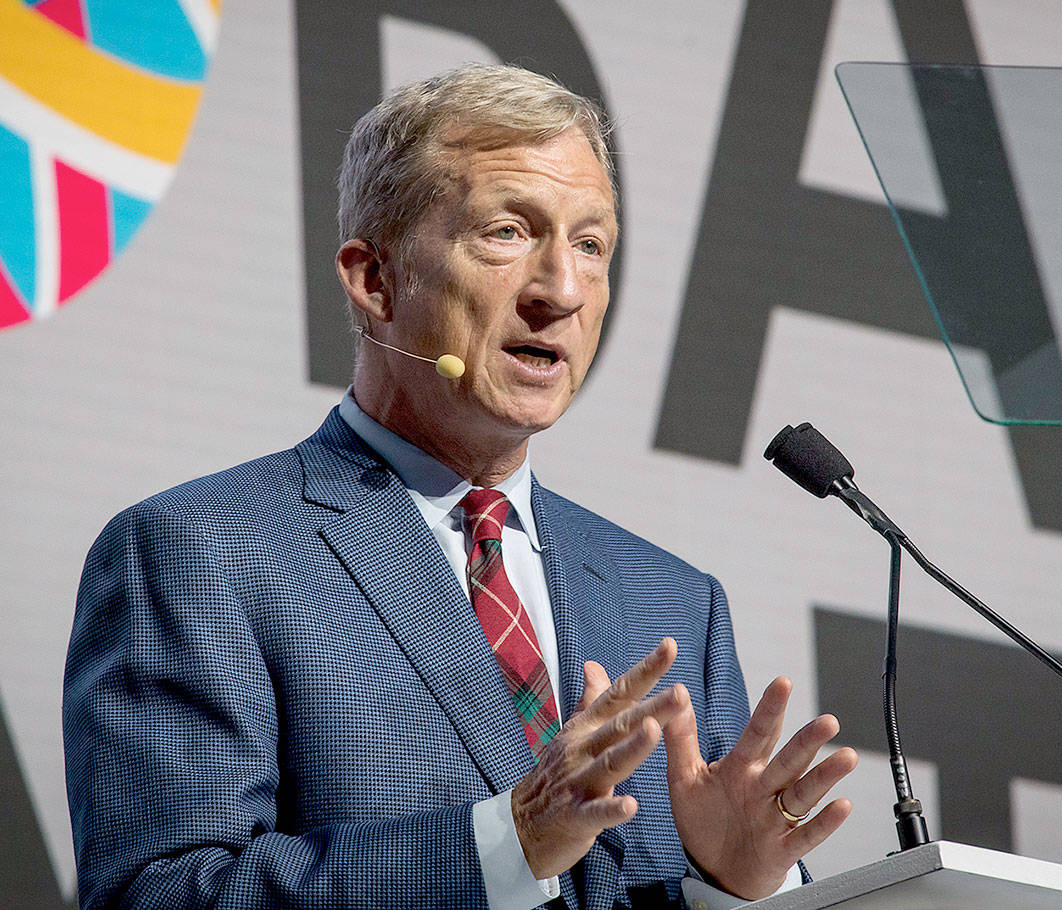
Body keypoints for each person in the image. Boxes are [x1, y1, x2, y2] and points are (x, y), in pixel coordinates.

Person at [64, 64, 857, 909]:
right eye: (509, 232)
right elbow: (158, 895)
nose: (561, 290)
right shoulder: (202, 552)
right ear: (375, 281)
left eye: (591, 245)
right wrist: (507, 843)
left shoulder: (674, 602)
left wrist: (733, 882)